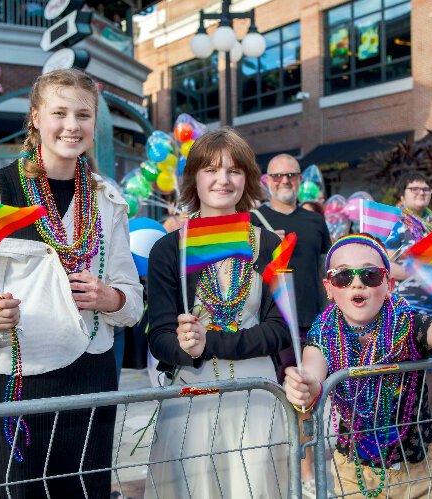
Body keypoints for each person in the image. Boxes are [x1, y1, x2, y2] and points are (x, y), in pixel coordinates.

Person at [0, 69, 143, 498]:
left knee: (84, 491)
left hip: (91, 374)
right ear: (35, 117)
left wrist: (112, 297)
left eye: (83, 115)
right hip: (15, 379)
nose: (72, 125)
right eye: (59, 112)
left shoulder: (107, 197)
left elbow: (130, 292)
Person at [283, 233, 432, 498]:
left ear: (389, 284)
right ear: (329, 288)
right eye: (343, 276)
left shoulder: (408, 324)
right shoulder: (324, 333)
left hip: (423, 469)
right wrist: (305, 387)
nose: (357, 283)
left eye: (370, 275)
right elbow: (311, 370)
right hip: (356, 474)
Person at [145, 127, 291, 498]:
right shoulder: (169, 249)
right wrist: (184, 348)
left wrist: (209, 343)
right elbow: (159, 336)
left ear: (248, 178)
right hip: (191, 400)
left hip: (257, 399)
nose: (222, 180)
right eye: (211, 169)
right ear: (194, 176)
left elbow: (280, 330)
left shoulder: (268, 244)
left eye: (234, 170)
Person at [250, 153, 331, 498]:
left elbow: (326, 271)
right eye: (278, 176)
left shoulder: (314, 221)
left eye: (292, 175)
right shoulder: (253, 220)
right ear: (267, 181)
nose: (285, 181)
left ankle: (308, 470)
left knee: (306, 398)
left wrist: (333, 317)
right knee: (275, 401)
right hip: (271, 325)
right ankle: (280, 468)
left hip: (311, 323)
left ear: (300, 180)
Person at [383, 173, 432, 442]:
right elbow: (384, 264)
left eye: (425, 188)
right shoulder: (396, 225)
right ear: (402, 195)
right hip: (409, 307)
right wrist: (417, 272)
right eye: (413, 187)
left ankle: (426, 423)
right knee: (408, 371)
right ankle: (403, 429)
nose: (420, 191)